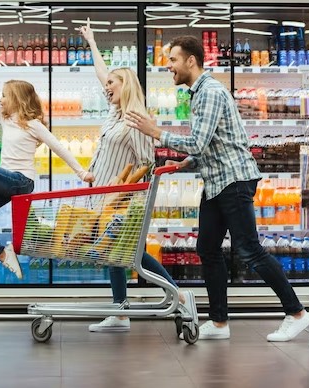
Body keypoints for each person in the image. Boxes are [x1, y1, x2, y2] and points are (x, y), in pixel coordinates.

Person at [126, 35, 309, 342]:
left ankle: (297, 313)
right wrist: (189, 163)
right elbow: (209, 147)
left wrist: (156, 132)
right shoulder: (197, 93)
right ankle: (219, 322)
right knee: (207, 248)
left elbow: (199, 142)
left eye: (172, 60)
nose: (168, 66)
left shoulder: (209, 92)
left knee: (249, 249)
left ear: (190, 61)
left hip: (232, 180)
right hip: (216, 181)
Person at [77, 22, 197, 333]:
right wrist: (92, 42)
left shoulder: (136, 118)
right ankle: (128, 310)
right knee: (121, 254)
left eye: (113, 83)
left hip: (121, 200)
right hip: (102, 194)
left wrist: (122, 192)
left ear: (126, 85)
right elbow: (103, 74)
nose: (107, 86)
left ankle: (170, 297)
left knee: (127, 254)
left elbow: (146, 161)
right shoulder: (114, 113)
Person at [0, 57, 95, 280]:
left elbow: (58, 147)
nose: (0, 99)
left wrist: (81, 172)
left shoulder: (33, 124)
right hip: (6, 183)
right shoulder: (6, 119)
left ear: (16, 99)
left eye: (5, 95)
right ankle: (0, 253)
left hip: (20, 181)